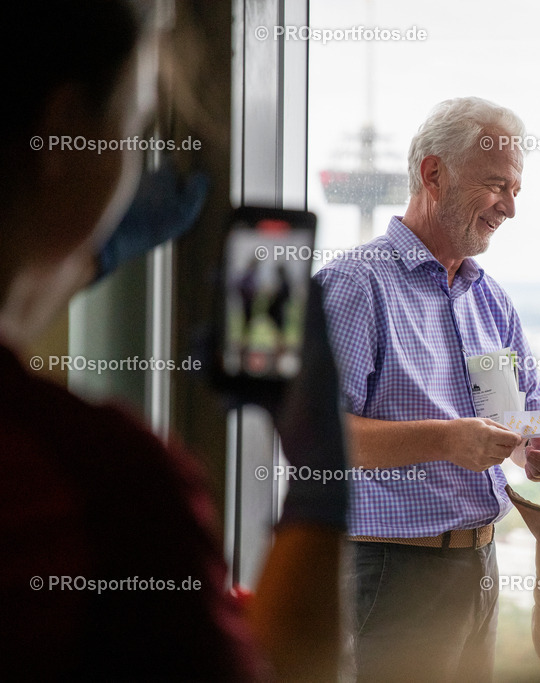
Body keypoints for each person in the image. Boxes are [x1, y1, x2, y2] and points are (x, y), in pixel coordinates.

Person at [0, 2, 347, 679]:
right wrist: (319, 483)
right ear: (64, 128)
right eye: (135, 127)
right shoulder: (102, 487)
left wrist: (79, 256)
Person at [315, 96, 540, 681]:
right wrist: (447, 440)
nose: (508, 207)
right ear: (434, 174)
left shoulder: (490, 298)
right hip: (391, 573)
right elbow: (320, 439)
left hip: (478, 566)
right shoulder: (356, 286)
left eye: (515, 191)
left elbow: (528, 416)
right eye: (496, 186)